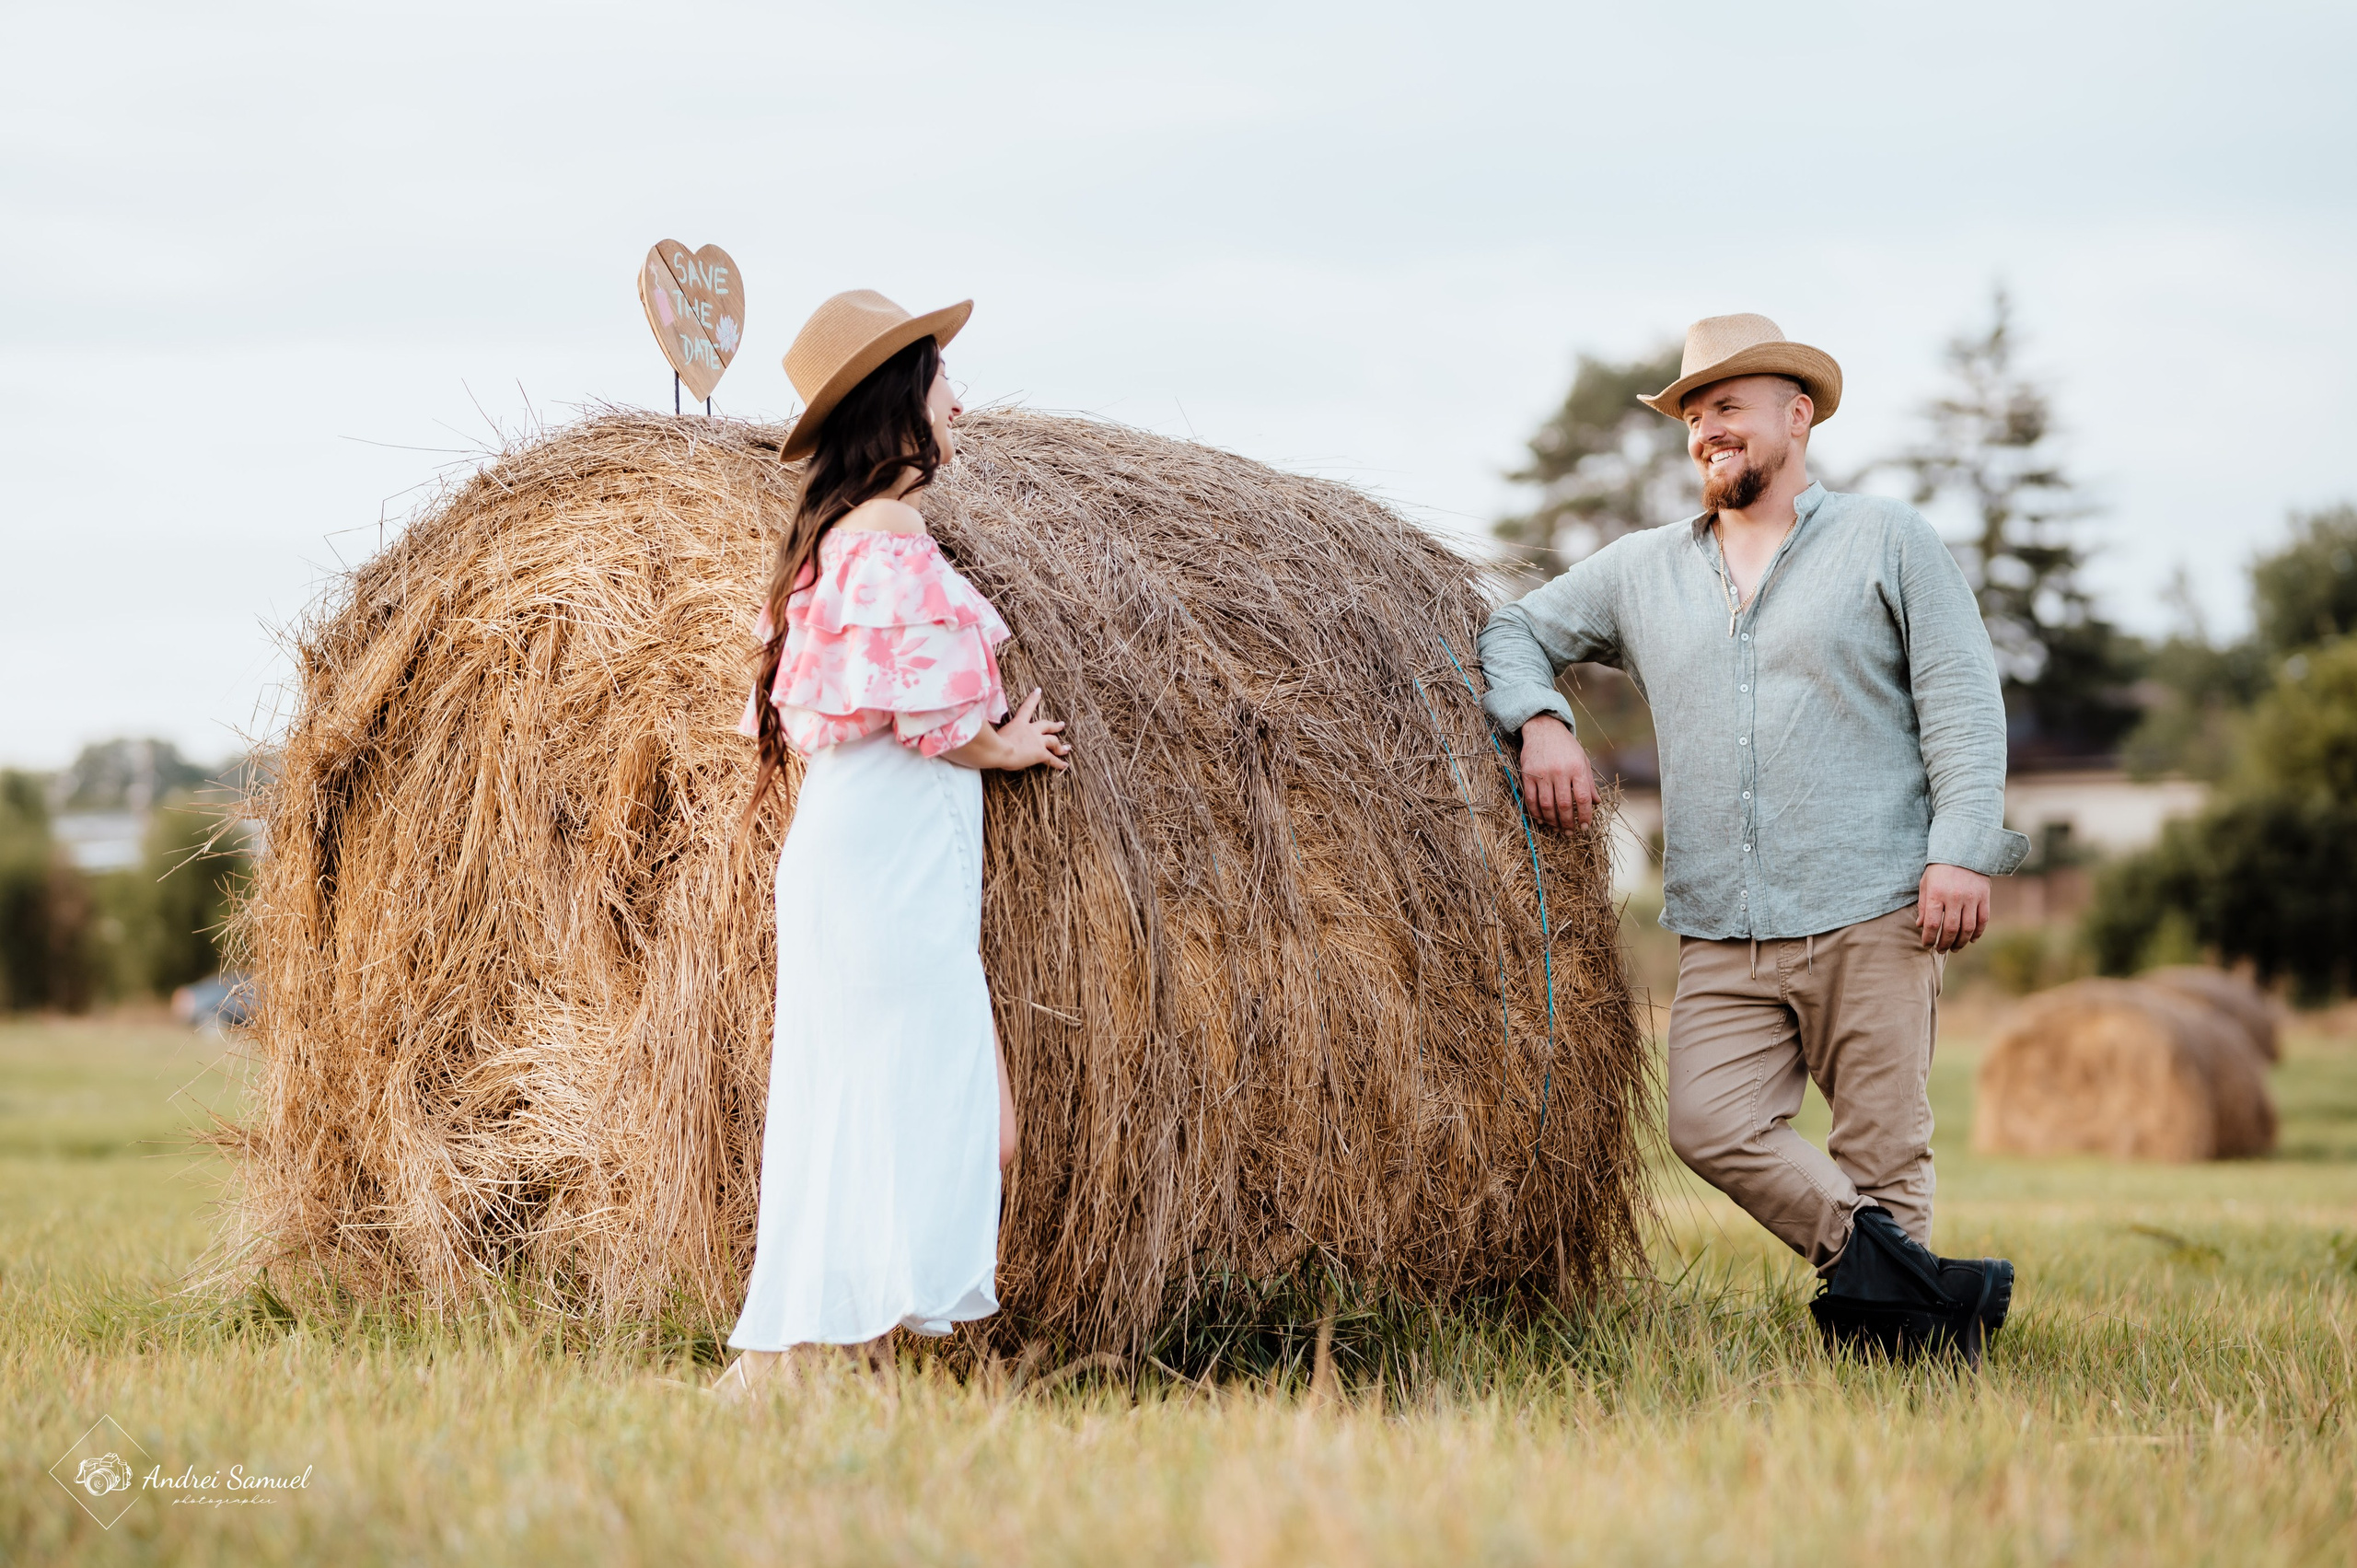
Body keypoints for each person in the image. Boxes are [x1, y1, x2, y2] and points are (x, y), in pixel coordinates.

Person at [1477, 314, 2026, 1363]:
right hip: (1722, 922)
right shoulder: (1641, 569)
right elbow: (1512, 626)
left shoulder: (1887, 540)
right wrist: (1538, 715)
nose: (1706, 430)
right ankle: (1934, 1299)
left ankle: (1893, 1351)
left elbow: (1961, 699)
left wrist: (1960, 846)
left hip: (1875, 900)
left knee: (1880, 1149)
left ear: (1797, 414)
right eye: (1693, 414)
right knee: (1707, 1123)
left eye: (1727, 406)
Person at [716, 290, 1070, 1395]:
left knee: (864, 1096)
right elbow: (932, 711)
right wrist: (1002, 750)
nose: (958, 399)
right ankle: (822, 1349)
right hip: (885, 860)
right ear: (901, 402)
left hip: (867, 850)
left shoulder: (831, 541)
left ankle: (834, 1351)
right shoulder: (889, 534)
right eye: (940, 378)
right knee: (944, 1109)